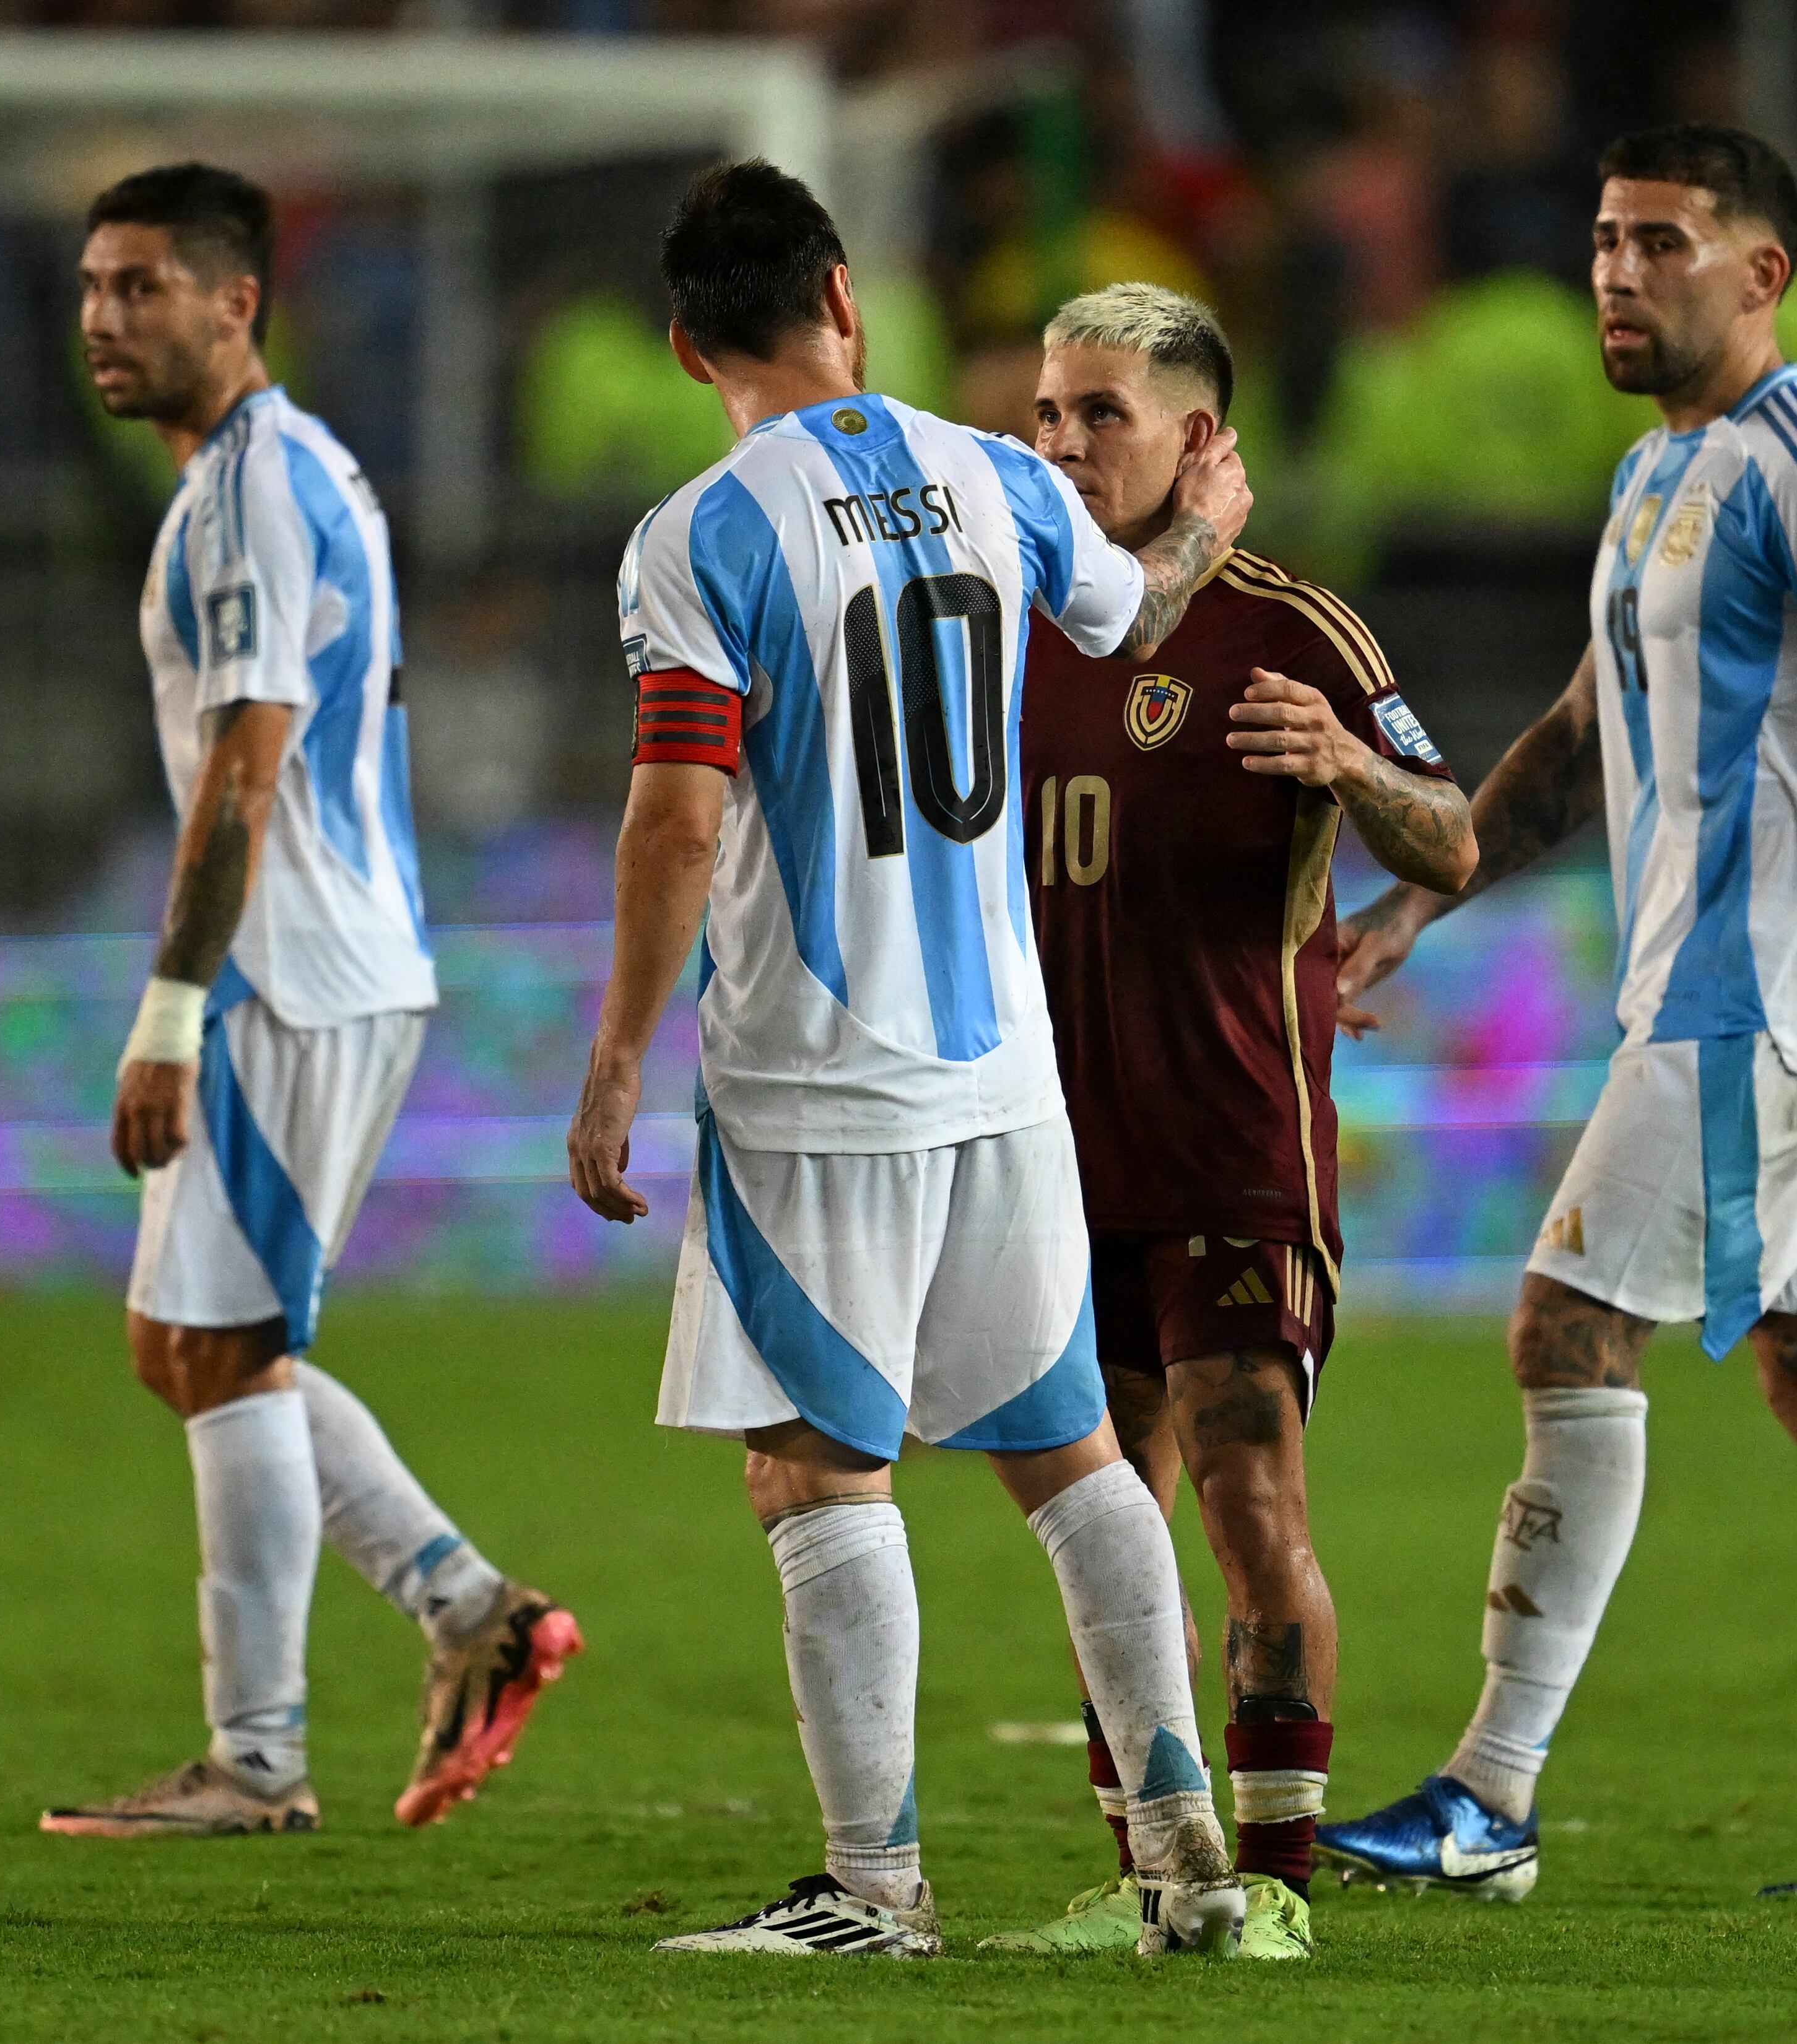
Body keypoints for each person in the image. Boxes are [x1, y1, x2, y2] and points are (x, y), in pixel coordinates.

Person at [1316, 124, 1797, 1905]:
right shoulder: (1660, 469)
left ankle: (1489, 1798)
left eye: (1661, 242)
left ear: (1762, 273)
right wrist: (1426, 893)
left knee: (1565, 1330)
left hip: (1764, 1001)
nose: (1617, 272)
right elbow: (1587, 732)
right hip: (1706, 991)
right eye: (1604, 240)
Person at [565, 162, 1253, 1959]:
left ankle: (875, 1891)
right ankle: (1190, 1852)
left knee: (813, 1470)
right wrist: (1202, 525)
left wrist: (617, 1056)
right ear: (844, 298)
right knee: (1072, 1456)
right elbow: (1131, 611)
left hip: (818, 1075)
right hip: (1006, 1069)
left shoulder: (700, 537)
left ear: (685, 347)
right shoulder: (995, 473)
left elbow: (677, 817)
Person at [42, 163, 579, 1840]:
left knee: (226, 1347)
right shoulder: (282, 469)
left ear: (237, 303)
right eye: (93, 286)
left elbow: (246, 768)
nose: (105, 318)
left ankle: (261, 1758)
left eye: (142, 286)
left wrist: (170, 1012)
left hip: (288, 972)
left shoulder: (249, 497)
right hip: (319, 961)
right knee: (193, 1344)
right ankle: (470, 1613)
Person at [974, 284, 1478, 1962]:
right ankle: (1148, 1874)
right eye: (1049, 414)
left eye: (1100, 414)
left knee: (1251, 1506)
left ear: (1197, 439)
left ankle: (1277, 1885)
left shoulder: (1295, 631)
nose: (1063, 445)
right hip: (1053, 1156)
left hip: (1231, 1150)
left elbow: (1452, 838)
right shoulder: (1008, 616)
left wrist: (1348, 763)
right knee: (1102, 1526)